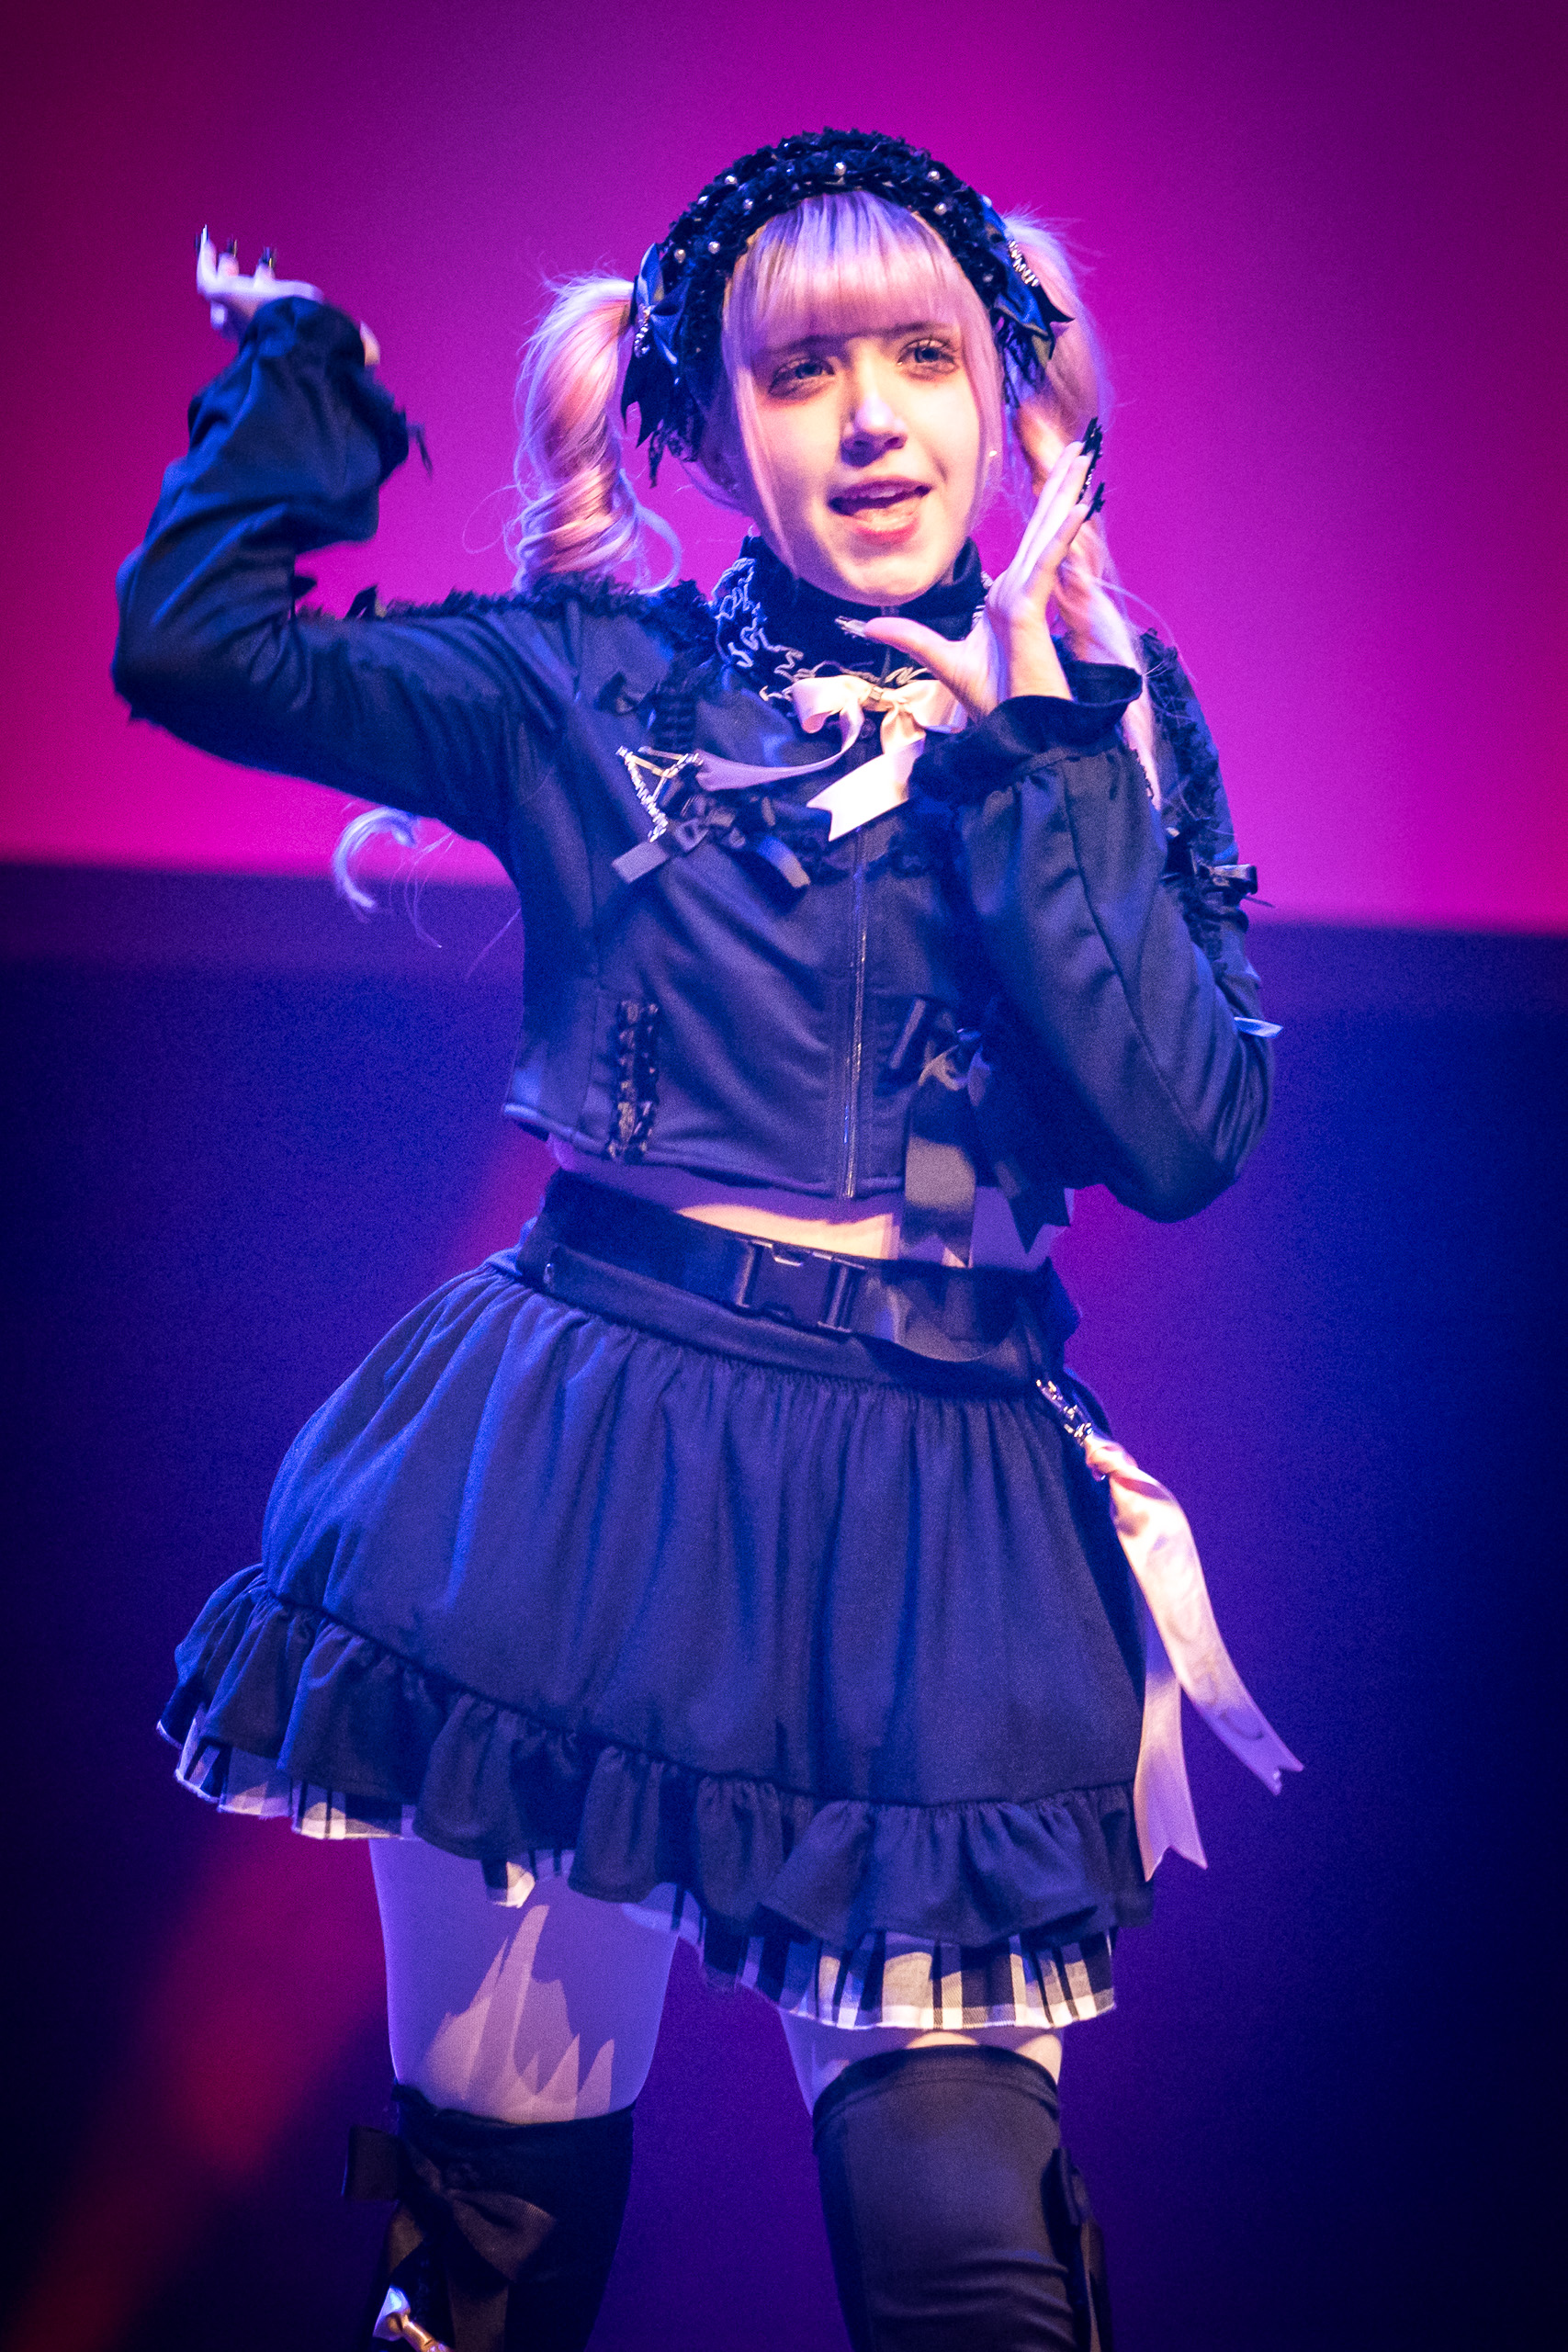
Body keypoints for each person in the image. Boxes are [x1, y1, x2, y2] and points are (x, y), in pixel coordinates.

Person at [114, 130, 1292, 2352]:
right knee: (491, 2247)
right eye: (800, 371)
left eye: (920, 358)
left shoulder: (1107, 722)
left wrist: (1030, 767)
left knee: (968, 2253)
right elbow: (192, 648)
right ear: (714, 424)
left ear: (1003, 393)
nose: (871, 422)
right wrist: (297, 381)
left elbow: (1179, 1136)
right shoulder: (600, 681)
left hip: (940, 1516)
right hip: (582, 1488)